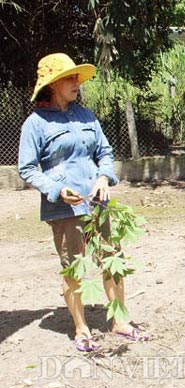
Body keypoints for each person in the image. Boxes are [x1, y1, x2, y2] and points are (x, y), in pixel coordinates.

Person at [18, 52, 149, 351]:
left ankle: (120, 321)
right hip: (65, 209)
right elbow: (26, 169)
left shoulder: (86, 116)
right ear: (52, 85)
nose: (76, 82)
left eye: (77, 76)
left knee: (114, 261)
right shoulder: (35, 124)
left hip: (97, 203)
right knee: (74, 267)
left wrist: (104, 178)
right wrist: (56, 189)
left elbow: (104, 152)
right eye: (69, 77)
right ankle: (82, 329)